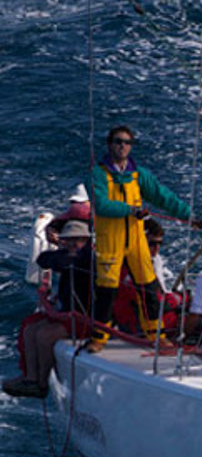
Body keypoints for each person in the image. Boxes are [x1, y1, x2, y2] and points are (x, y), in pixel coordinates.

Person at [88, 125, 192, 352]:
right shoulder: (98, 173)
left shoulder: (138, 174)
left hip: (136, 241)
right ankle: (98, 337)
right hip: (111, 242)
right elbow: (101, 205)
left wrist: (187, 215)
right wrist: (131, 210)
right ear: (110, 144)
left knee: (149, 288)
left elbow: (161, 195)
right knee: (106, 291)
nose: (122, 145)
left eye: (126, 142)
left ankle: (157, 336)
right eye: (117, 141)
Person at [4, 220, 94, 399]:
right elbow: (44, 259)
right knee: (30, 330)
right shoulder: (66, 256)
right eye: (69, 239)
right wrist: (61, 249)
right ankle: (31, 378)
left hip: (86, 319)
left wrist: (63, 251)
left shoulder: (89, 258)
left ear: (87, 240)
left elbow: (65, 261)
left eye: (78, 239)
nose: (73, 243)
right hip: (68, 314)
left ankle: (41, 383)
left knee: (44, 336)